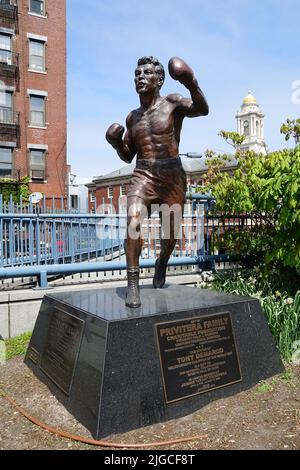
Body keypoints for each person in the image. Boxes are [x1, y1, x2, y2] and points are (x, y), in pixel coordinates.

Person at [106, 56, 209, 308]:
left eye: (147, 73)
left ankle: (162, 261)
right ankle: (133, 283)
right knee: (133, 221)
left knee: (170, 236)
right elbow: (128, 155)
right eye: (137, 73)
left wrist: (190, 81)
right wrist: (117, 143)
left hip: (172, 176)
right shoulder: (132, 117)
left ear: (159, 79)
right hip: (143, 174)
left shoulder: (172, 103)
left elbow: (202, 109)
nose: (140, 76)